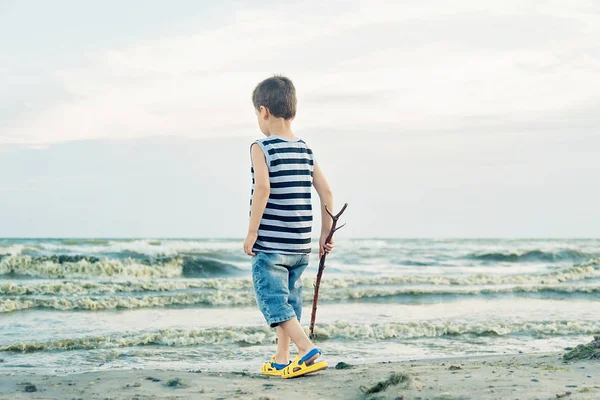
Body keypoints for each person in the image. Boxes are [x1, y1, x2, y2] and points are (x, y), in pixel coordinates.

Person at [243, 75, 334, 378]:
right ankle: (282, 359)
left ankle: (308, 352)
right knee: (289, 302)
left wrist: (252, 231)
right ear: (292, 112)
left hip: (271, 246)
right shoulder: (306, 150)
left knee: (272, 301)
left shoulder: (262, 147)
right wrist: (325, 234)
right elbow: (327, 192)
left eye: (257, 114)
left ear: (264, 111)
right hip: (299, 247)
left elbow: (263, 190)